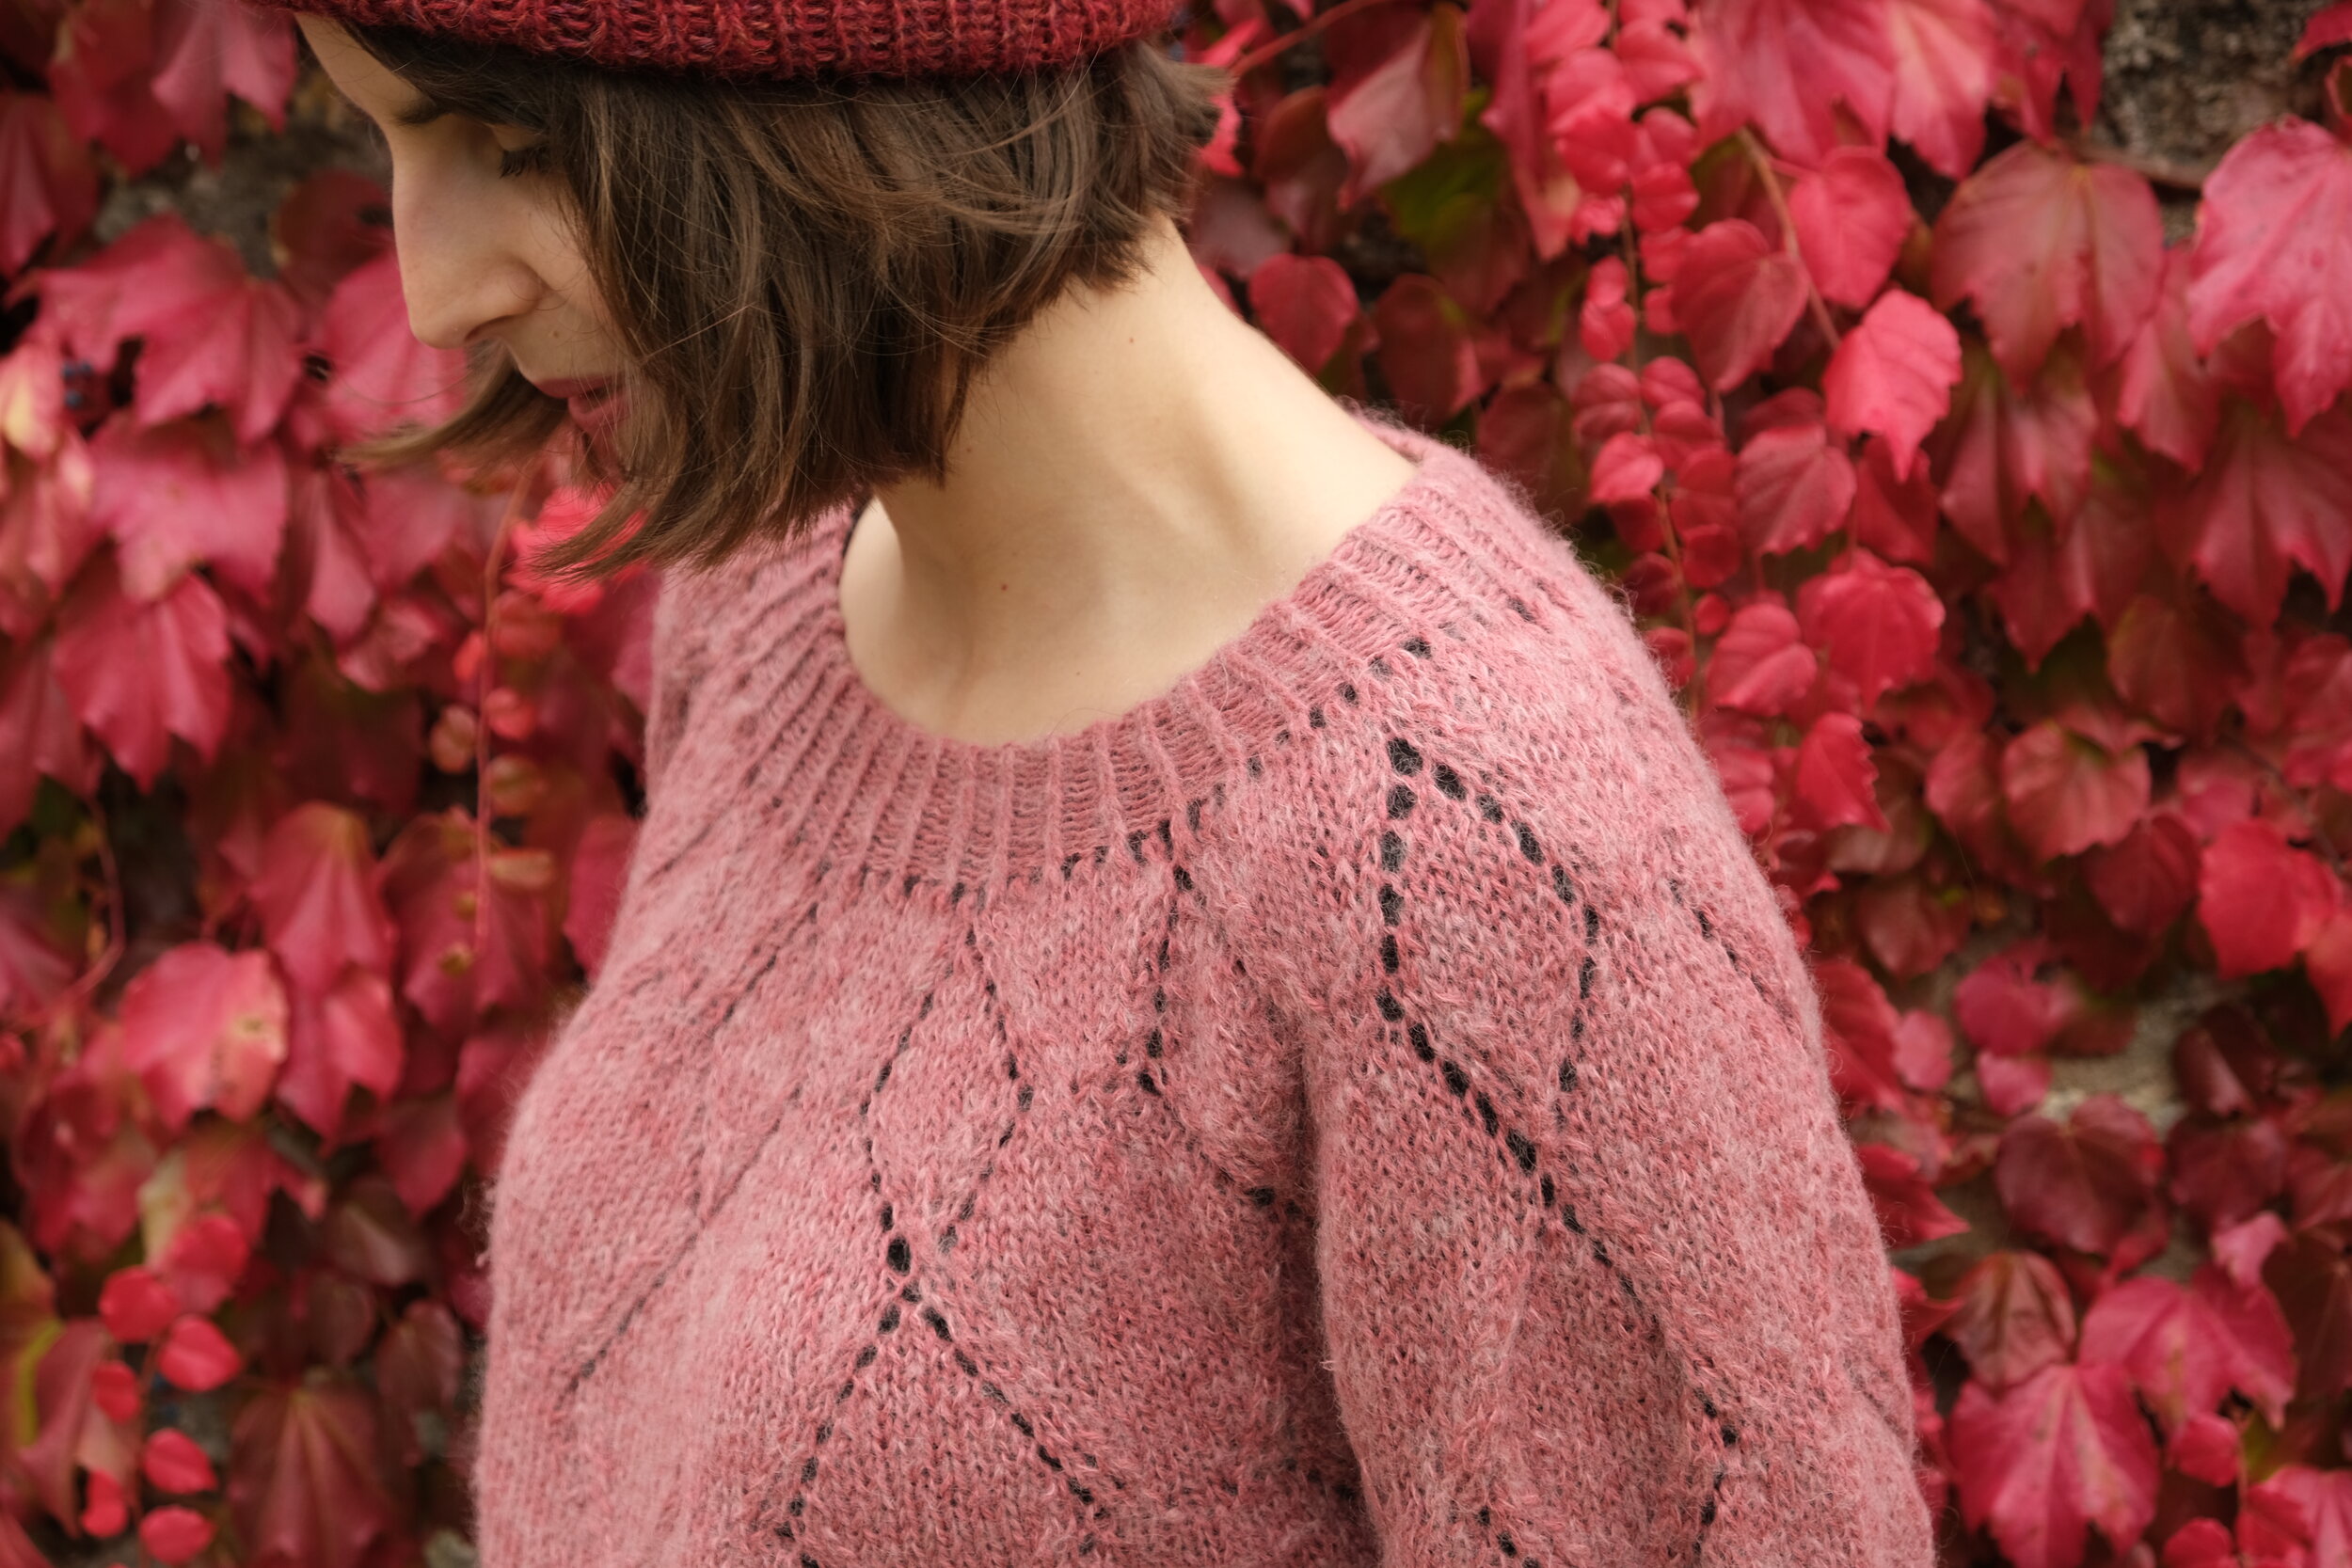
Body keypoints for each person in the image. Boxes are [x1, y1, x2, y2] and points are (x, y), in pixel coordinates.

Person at [264, 1, 1937, 1563]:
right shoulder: (775, 589)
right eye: (387, 140)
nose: (434, 294)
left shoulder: (1469, 838)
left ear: (834, 82)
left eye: (514, 146)